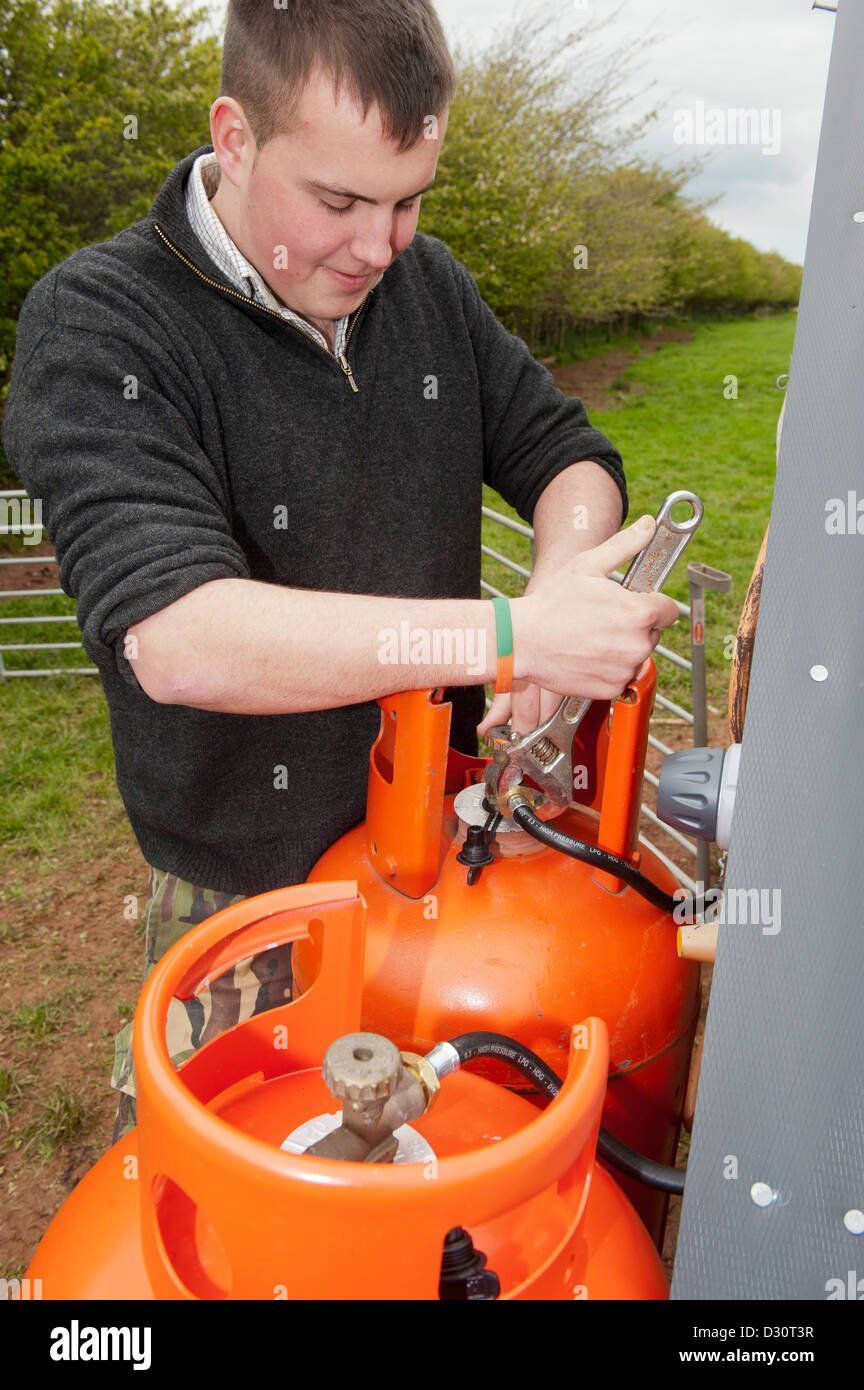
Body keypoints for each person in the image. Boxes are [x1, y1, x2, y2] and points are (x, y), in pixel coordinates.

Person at [1, 0, 679, 1141]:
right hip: (252, 893)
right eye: (340, 201)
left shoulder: (429, 288)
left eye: (410, 200)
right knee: (224, 1186)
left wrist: (562, 585)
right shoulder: (101, 324)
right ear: (234, 135)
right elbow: (180, 636)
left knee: (440, 1167)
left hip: (444, 852)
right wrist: (510, 637)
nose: (380, 247)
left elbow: (568, 455)